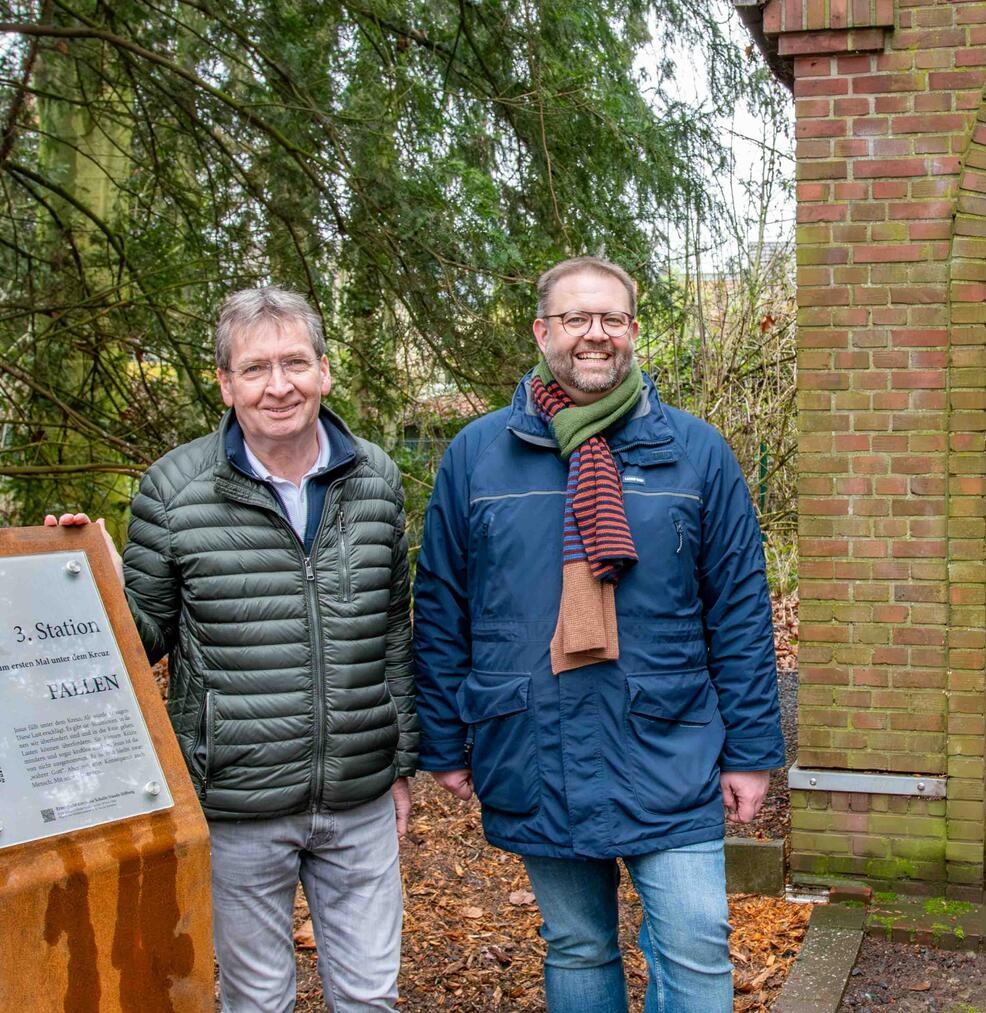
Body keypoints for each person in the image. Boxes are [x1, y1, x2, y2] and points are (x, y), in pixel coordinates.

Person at [413, 256, 784, 1012]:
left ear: (634, 331)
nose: (595, 333)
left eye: (611, 318)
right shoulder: (477, 456)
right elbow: (443, 604)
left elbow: (741, 610)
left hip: (669, 744)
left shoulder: (696, 452)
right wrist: (443, 739)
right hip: (533, 743)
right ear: (541, 330)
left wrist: (751, 751)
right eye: (576, 317)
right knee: (578, 944)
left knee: (697, 942)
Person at [47, 287, 418, 1012]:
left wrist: (400, 761)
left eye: (295, 362)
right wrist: (93, 584)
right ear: (225, 383)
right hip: (237, 800)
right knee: (257, 1000)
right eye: (255, 368)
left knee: (372, 997)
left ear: (324, 371)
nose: (279, 385)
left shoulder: (375, 477)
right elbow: (141, 643)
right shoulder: (174, 489)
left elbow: (392, 631)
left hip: (359, 796)